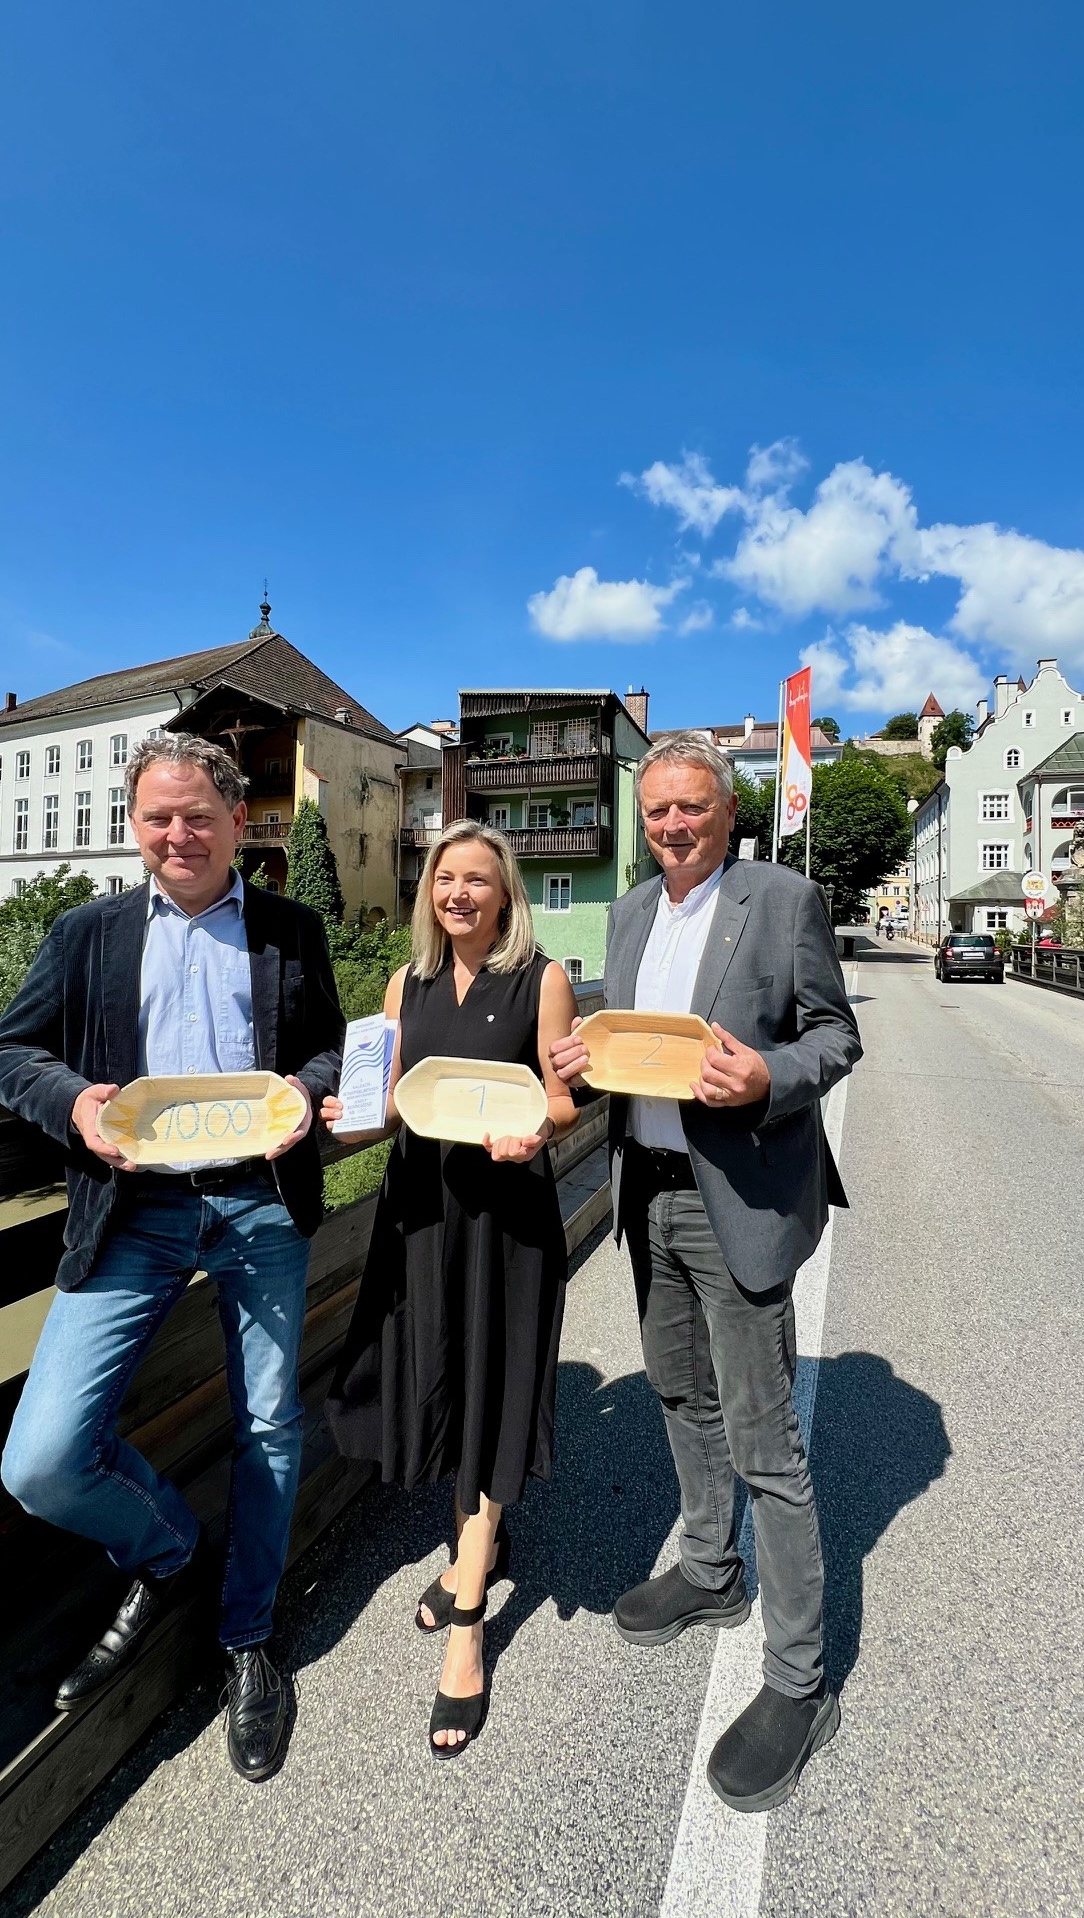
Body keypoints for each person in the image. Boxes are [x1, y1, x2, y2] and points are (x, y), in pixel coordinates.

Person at [0, 733, 344, 1783]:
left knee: (270, 1424)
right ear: (134, 826)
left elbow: (324, 1044)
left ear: (239, 822)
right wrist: (76, 1102)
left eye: (197, 816)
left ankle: (248, 1639)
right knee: (42, 1459)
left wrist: (304, 1096)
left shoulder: (289, 929)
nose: (177, 835)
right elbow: (6, 1055)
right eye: (157, 817)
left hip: (259, 1203)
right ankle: (168, 1548)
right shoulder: (87, 934)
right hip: (133, 1210)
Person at [550, 732, 861, 1814]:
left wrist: (767, 1074)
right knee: (681, 1395)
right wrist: (578, 1064)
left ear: (728, 813)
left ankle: (799, 1682)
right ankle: (709, 1570)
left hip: (743, 1194)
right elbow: (624, 1041)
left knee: (766, 1442)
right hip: (647, 1189)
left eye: (690, 809)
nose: (672, 827)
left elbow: (835, 1036)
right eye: (656, 813)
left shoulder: (781, 899)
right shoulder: (631, 913)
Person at [322, 819, 578, 1758]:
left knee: (492, 1389)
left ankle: (469, 1614)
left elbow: (561, 1097)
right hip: (422, 1214)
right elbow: (380, 1103)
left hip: (505, 1218)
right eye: (444, 880)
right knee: (438, 1374)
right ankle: (481, 1544)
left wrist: (540, 1132)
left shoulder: (540, 980)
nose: (458, 893)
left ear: (505, 892)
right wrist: (336, 1117)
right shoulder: (406, 983)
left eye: (477, 879)